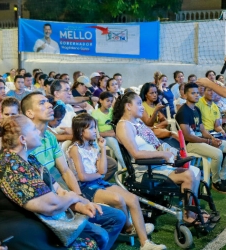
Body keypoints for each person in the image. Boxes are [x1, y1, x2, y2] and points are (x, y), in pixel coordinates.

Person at [0, 115, 124, 250]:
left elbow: (56, 188)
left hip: (34, 220)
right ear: (23, 139)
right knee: (90, 242)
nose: (39, 132)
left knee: (98, 235)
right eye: (34, 129)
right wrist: (75, 198)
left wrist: (80, 204)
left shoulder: (28, 158)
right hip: (12, 230)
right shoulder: (12, 165)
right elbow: (50, 206)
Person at [67, 113, 165, 250]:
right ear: (80, 131)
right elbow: (83, 177)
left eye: (95, 127)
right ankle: (130, 228)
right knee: (118, 199)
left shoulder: (93, 147)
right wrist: (98, 174)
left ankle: (145, 243)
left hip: (97, 182)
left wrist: (101, 148)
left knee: (132, 198)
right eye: (91, 128)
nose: (95, 131)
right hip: (84, 188)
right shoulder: (75, 149)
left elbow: (103, 170)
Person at [112, 91, 208, 225]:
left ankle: (192, 209)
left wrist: (169, 136)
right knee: (189, 175)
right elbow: (136, 153)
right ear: (128, 106)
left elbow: (153, 135)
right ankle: (188, 214)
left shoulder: (136, 122)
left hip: (157, 165)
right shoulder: (123, 126)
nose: (142, 107)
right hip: (145, 171)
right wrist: (163, 154)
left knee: (195, 170)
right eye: (139, 103)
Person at [175, 83, 226, 193]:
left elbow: (202, 129)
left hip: (200, 140)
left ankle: (222, 177)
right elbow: (188, 136)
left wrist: (212, 139)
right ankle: (216, 182)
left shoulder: (196, 110)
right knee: (217, 154)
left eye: (197, 93)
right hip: (190, 144)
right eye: (193, 93)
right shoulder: (183, 112)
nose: (197, 95)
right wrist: (208, 141)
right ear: (185, 94)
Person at [92, 91, 125, 168]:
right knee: (115, 145)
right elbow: (95, 131)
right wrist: (108, 134)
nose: (110, 103)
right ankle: (126, 166)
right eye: (107, 101)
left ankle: (130, 162)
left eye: (111, 101)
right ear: (100, 100)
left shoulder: (112, 111)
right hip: (103, 137)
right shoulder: (95, 114)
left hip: (114, 133)